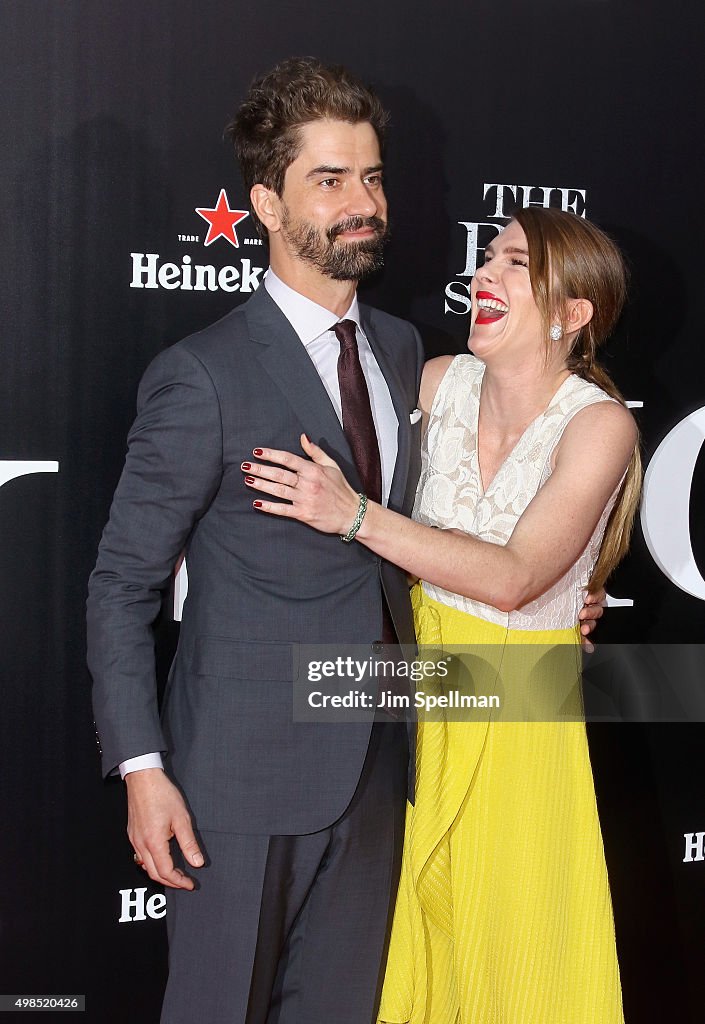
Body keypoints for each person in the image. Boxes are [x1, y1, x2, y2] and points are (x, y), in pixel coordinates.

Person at [243, 207, 640, 1023]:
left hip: (521, 711)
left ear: (572, 313)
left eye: (514, 264)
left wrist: (352, 515)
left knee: (517, 952)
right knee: (412, 944)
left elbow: (518, 578)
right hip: (412, 696)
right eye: (485, 258)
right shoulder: (433, 382)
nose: (482, 276)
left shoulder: (598, 424)